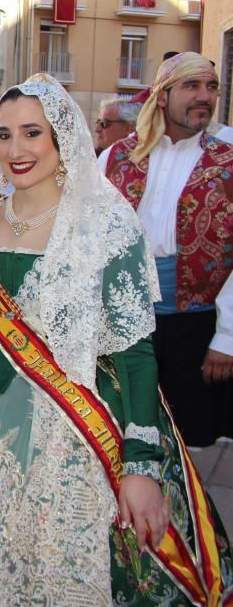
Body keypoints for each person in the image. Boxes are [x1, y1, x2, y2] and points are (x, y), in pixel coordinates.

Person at [0, 74, 232, 605]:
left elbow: (136, 353)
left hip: (71, 421)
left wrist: (139, 467)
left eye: (32, 132)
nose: (15, 149)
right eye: (3, 135)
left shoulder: (105, 223)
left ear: (61, 137)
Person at [104, 52, 233, 449]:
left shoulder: (228, 162)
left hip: (196, 323)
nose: (204, 97)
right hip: (125, 318)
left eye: (211, 87)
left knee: (188, 439)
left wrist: (226, 338)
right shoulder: (116, 157)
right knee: (124, 430)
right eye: (191, 86)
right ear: (162, 96)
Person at [94, 97, 140, 170]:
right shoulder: (92, 158)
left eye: (104, 123)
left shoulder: (140, 164)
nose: (97, 129)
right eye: (98, 122)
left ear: (127, 128)